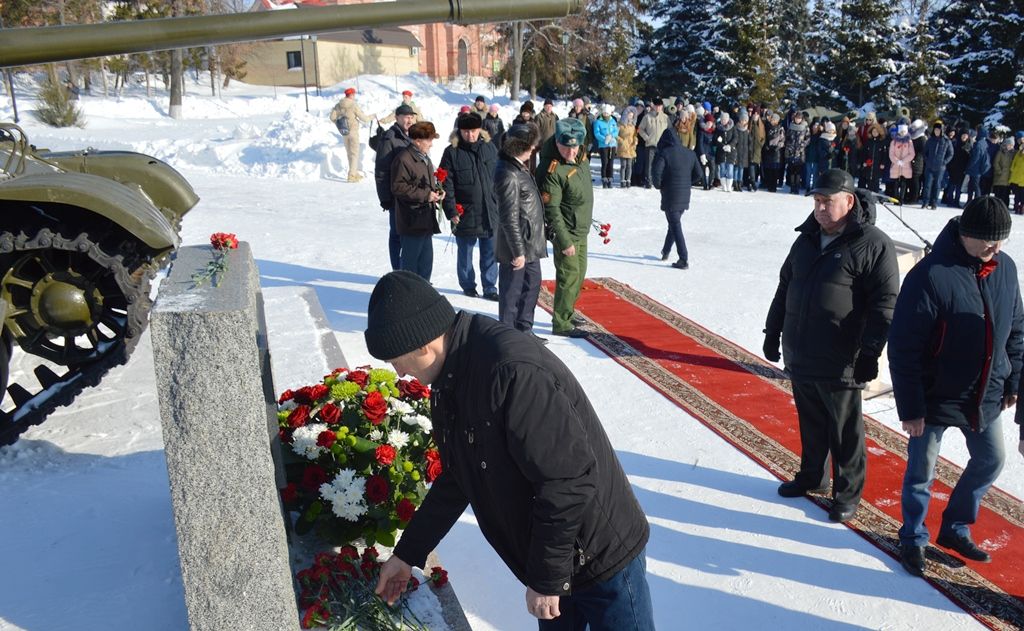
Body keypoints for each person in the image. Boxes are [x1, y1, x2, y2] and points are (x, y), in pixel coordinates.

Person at [366, 271, 654, 630]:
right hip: (552, 557)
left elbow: (568, 480)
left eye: (397, 360)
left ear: (423, 344)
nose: (399, 373)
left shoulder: (511, 370)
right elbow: (460, 476)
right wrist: (408, 554)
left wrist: (548, 578)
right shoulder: (451, 376)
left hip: (599, 557)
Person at [888, 196, 1023, 576]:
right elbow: (903, 346)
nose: (995, 249)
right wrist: (911, 407)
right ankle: (913, 537)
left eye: (1001, 242)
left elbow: (1017, 328)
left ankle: (955, 526)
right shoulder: (931, 275)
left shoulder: (1005, 268)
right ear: (966, 234)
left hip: (986, 391)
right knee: (922, 472)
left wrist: (1012, 378)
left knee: (991, 459)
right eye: (988, 242)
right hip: (934, 396)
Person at [764, 168, 899, 523]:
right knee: (811, 421)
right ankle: (813, 476)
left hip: (842, 356)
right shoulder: (806, 239)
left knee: (844, 430)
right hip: (802, 348)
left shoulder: (872, 243)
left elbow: (885, 304)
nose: (820, 209)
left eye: (828, 202)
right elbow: (785, 287)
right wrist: (772, 330)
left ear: (849, 201)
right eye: (817, 201)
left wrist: (870, 352)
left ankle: (847, 492)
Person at [536, 118, 592, 339]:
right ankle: (561, 322)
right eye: (566, 146)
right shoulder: (553, 170)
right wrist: (564, 241)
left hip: (581, 229)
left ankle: (567, 311)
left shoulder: (581, 159)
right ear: (557, 143)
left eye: (575, 146)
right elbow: (552, 211)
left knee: (579, 274)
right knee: (568, 276)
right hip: (567, 232)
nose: (571, 151)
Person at [494, 123, 547, 342]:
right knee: (512, 293)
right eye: (530, 146)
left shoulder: (519, 167)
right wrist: (517, 251)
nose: (533, 150)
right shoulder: (508, 173)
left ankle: (524, 330)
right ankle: (507, 336)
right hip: (518, 246)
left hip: (531, 243)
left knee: (531, 286)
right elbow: (508, 216)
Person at [440, 113, 499, 300]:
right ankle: (467, 284)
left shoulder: (489, 148)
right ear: (460, 131)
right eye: (466, 132)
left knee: (490, 252)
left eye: (473, 131)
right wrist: (451, 209)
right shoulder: (452, 152)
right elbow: (446, 183)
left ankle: (490, 287)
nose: (470, 135)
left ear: (479, 130)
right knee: (465, 251)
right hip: (464, 211)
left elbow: (499, 176)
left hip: (489, 210)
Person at [391, 121, 446, 281]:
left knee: (425, 263)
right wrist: (425, 195)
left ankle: (423, 295)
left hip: (425, 219)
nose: (431, 145)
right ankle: (408, 296)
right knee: (411, 265)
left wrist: (437, 191)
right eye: (429, 140)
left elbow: (426, 184)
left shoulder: (424, 158)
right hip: (411, 220)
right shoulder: (404, 159)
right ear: (417, 141)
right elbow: (398, 187)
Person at [651, 128, 702, 269]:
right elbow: (699, 174)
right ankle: (666, 251)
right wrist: (687, 183)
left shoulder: (665, 153)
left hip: (670, 194)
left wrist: (659, 185)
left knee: (675, 225)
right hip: (685, 195)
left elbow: (656, 173)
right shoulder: (690, 153)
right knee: (673, 223)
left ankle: (683, 258)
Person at [375, 103, 417, 270]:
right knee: (397, 235)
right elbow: (381, 170)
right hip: (396, 196)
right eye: (406, 117)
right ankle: (397, 270)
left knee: (410, 235)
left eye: (411, 117)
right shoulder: (389, 138)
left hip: (412, 194)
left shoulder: (413, 135)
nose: (409, 120)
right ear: (397, 118)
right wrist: (384, 198)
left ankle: (409, 269)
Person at [329, 87, 373, 182]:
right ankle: (352, 175)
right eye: (354, 95)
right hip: (353, 132)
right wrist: (371, 117)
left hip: (344, 132)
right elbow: (364, 118)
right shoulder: (353, 105)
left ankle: (354, 172)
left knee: (349, 153)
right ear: (352, 95)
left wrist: (339, 122)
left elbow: (332, 117)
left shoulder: (338, 105)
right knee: (354, 154)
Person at [921, 120, 954, 210]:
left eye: (938, 130)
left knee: (937, 185)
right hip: (929, 166)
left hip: (940, 167)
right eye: (935, 130)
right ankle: (925, 202)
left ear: (941, 131)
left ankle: (934, 203)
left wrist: (944, 162)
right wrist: (927, 161)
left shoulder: (946, 141)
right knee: (927, 185)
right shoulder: (930, 140)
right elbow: (925, 152)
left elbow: (950, 154)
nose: (936, 132)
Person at [637, 99, 669, 189]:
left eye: (660, 106)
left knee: (661, 164)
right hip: (650, 144)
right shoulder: (647, 117)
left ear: (662, 106)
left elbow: (669, 130)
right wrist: (646, 138)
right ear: (653, 106)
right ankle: (648, 181)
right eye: (656, 105)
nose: (658, 107)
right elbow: (640, 129)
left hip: (662, 146)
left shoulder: (665, 118)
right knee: (649, 165)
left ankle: (659, 181)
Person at [593, 104, 619, 189]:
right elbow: (597, 133)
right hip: (603, 145)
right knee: (605, 162)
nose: (606, 115)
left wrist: (611, 136)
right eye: (604, 113)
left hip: (612, 145)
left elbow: (616, 131)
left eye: (607, 113)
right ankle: (604, 179)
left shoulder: (613, 121)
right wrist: (604, 139)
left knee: (611, 163)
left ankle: (610, 179)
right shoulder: (598, 121)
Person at [890, 123, 916, 204]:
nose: (902, 133)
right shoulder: (894, 142)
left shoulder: (909, 142)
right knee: (895, 183)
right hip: (896, 165)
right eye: (901, 132)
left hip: (905, 166)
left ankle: (902, 198)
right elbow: (891, 153)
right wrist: (896, 161)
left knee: (904, 184)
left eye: (904, 132)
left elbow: (912, 154)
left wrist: (904, 161)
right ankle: (895, 198)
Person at [784, 110, 810, 194]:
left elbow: (808, 139)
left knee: (798, 172)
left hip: (800, 153)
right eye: (796, 118)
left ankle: (797, 187)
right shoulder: (791, 127)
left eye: (799, 118)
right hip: (791, 152)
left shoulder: (805, 127)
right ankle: (792, 187)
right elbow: (787, 138)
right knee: (791, 171)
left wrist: (802, 145)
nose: (797, 120)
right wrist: (789, 146)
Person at [617, 110, 638, 189]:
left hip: (630, 147)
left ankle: (628, 180)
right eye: (629, 115)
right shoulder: (620, 124)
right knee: (623, 165)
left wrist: (635, 140)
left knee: (629, 165)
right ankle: (622, 180)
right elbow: (616, 134)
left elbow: (635, 135)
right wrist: (621, 141)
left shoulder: (633, 126)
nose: (630, 117)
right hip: (623, 147)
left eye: (632, 116)